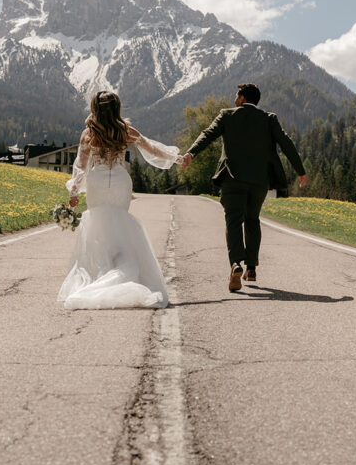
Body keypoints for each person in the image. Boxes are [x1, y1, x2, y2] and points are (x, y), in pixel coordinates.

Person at [58, 90, 182, 309]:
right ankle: (121, 271)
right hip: (120, 182)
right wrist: (177, 158)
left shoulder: (88, 133)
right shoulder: (126, 131)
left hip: (96, 182)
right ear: (117, 108)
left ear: (95, 108)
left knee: (99, 229)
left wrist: (74, 192)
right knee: (119, 226)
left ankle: (101, 274)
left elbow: (81, 165)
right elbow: (151, 148)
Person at [181, 83, 307, 292]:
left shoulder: (227, 115)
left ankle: (236, 264)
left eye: (236, 95)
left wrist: (191, 153)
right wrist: (300, 171)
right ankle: (251, 268)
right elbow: (286, 143)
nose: (234, 99)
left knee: (233, 221)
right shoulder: (269, 119)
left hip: (232, 179)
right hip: (259, 182)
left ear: (241, 98)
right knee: (252, 220)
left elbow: (208, 134)